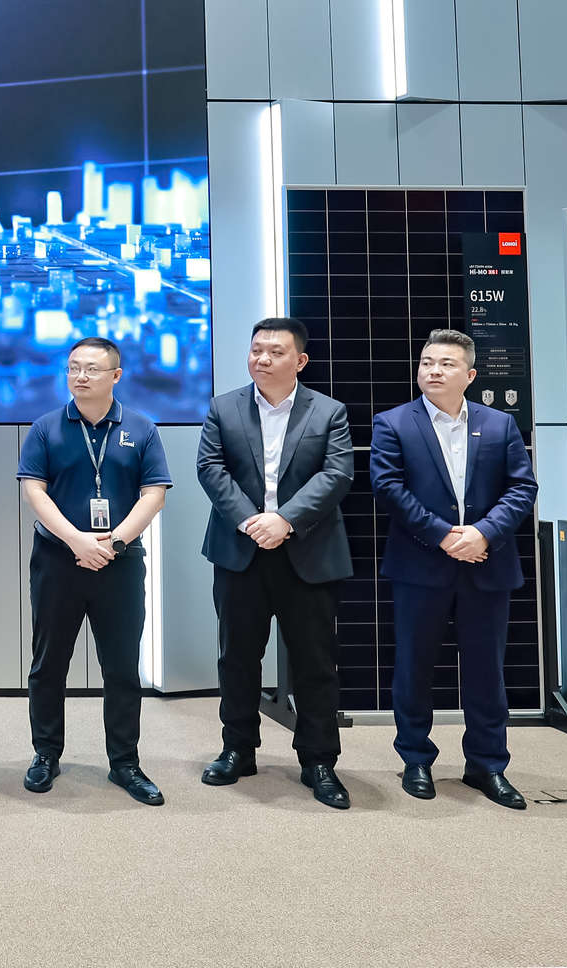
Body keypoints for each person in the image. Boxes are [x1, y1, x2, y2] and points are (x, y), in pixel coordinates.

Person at [371, 328, 538, 809]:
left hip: (487, 563)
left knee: (486, 671)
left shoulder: (500, 424)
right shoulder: (393, 423)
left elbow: (522, 488)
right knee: (414, 667)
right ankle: (416, 759)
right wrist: (445, 535)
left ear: (470, 374)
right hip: (419, 565)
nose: (433, 371)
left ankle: (487, 765)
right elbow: (388, 487)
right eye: (426, 362)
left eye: (446, 364)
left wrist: (482, 533)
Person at [196, 317, 355, 809]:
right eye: (256, 350)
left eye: (275, 352)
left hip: (308, 552)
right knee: (237, 657)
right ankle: (238, 749)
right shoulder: (223, 407)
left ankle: (319, 760)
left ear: (299, 361)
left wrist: (284, 520)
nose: (262, 359)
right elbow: (210, 468)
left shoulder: (328, 411)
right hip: (240, 551)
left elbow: (337, 474)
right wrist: (252, 521)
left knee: (315, 662)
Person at [17, 337, 171, 805]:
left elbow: (154, 494)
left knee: (121, 667)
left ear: (116, 376)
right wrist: (76, 541)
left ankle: (125, 762)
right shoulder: (45, 427)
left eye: (91, 369)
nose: (80, 376)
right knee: (49, 664)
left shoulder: (142, 428)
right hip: (57, 560)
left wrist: (114, 541)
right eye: (73, 368)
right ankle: (46, 754)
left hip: (121, 563)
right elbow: (35, 490)